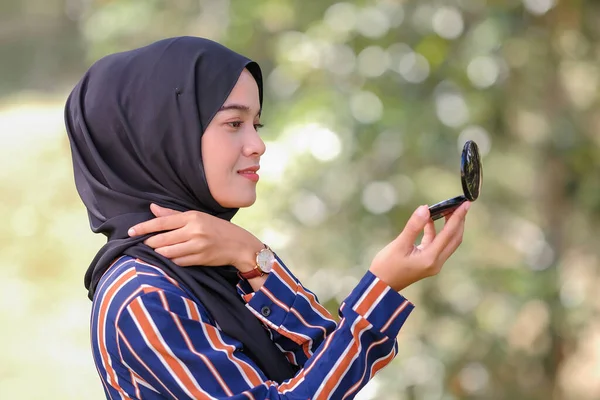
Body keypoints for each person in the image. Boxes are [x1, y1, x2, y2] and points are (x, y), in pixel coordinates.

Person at [64, 36, 470, 399]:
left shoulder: (217, 257)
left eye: (256, 124)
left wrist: (254, 257)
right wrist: (382, 289)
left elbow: (320, 360)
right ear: (161, 136)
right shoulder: (145, 296)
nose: (257, 145)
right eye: (234, 123)